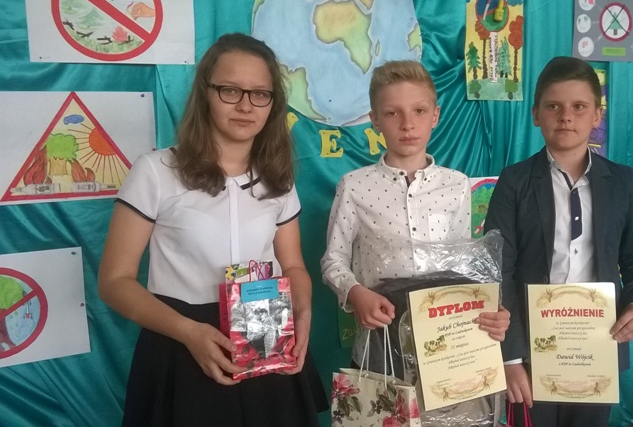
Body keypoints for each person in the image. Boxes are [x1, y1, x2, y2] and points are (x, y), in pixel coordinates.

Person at [98, 33, 327, 427]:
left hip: (267, 331)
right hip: (181, 341)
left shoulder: (279, 178)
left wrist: (302, 316)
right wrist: (188, 332)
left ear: (273, 103)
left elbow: (293, 266)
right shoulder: (156, 171)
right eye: (230, 90)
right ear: (205, 93)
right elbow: (114, 281)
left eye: (260, 94)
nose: (245, 105)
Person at [484, 56, 633, 427]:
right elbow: (499, 269)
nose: (566, 117)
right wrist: (510, 358)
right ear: (536, 114)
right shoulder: (514, 182)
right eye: (553, 106)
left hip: (598, 343)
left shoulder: (623, 181)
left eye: (579, 107)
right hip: (531, 348)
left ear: (597, 116)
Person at [321, 60, 510, 360]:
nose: (407, 124)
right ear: (375, 120)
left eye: (419, 111)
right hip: (380, 340)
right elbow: (333, 260)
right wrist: (356, 293)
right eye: (392, 113)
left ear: (435, 116)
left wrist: (485, 306)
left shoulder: (456, 184)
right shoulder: (355, 186)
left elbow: (460, 265)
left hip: (443, 339)